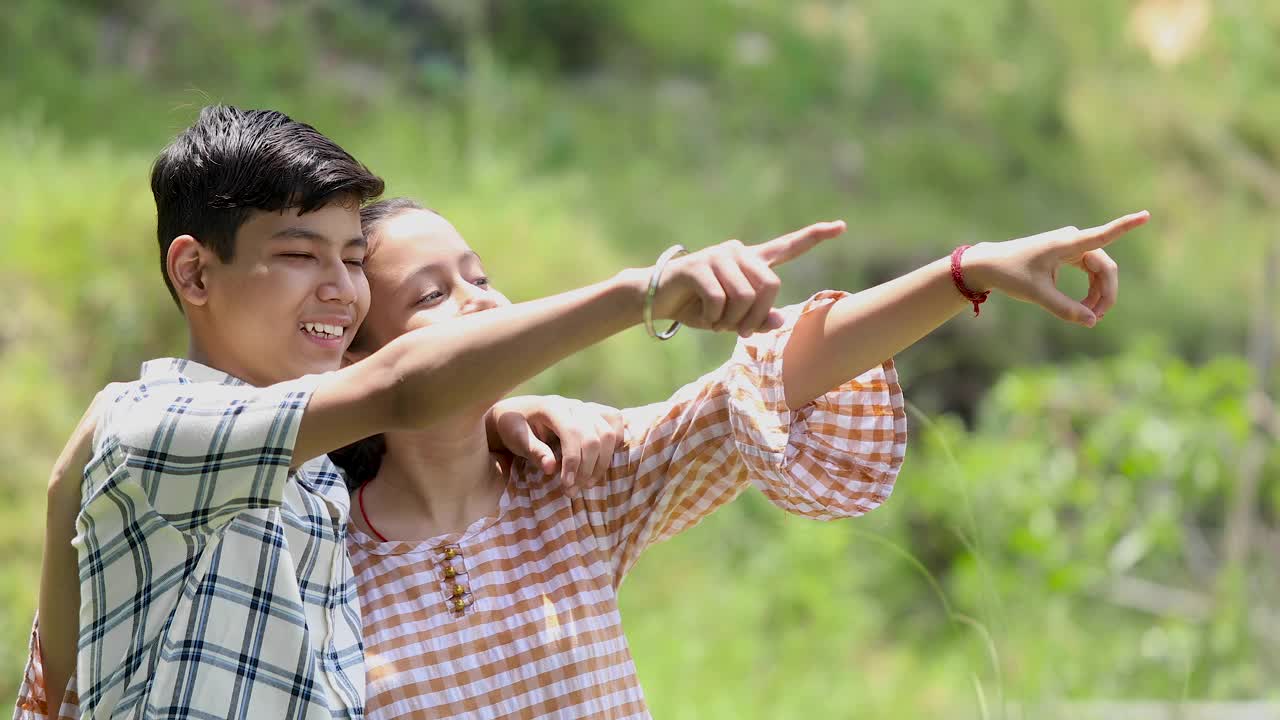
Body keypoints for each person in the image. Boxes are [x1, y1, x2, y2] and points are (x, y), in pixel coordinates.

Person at [10, 105, 842, 720]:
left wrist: (495, 412)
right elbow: (403, 387)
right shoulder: (164, 425)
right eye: (300, 257)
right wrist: (644, 292)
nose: (338, 289)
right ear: (194, 275)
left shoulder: (316, 478)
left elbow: (64, 679)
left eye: (351, 261)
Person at [332, 198, 1150, 717]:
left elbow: (774, 380)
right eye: (432, 295)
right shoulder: (310, 551)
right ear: (360, 357)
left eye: (480, 276)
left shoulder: (573, 484)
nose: (482, 302)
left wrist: (964, 272)